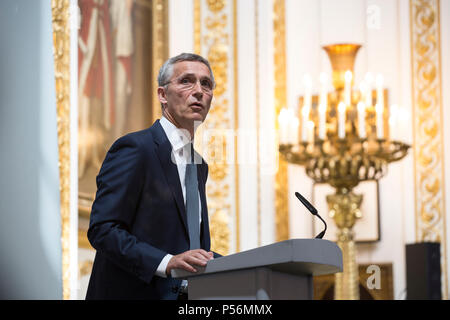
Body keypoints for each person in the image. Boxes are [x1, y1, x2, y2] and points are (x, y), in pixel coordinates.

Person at [86, 53, 220, 300]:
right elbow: (103, 229)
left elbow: (187, 244)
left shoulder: (199, 165)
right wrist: (167, 262)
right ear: (162, 95)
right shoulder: (136, 148)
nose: (199, 91)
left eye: (206, 84)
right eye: (187, 81)